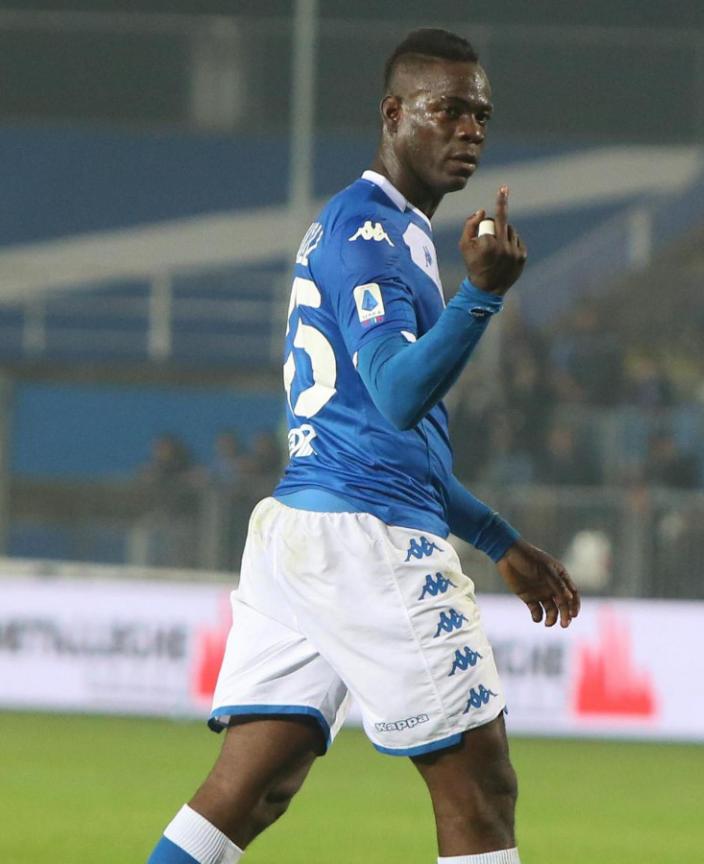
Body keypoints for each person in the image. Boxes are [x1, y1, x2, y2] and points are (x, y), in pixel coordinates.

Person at [147, 29, 580, 864]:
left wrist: (498, 539)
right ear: (393, 114)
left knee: (251, 788)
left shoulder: (362, 228)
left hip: (305, 527)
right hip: (365, 537)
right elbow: (399, 393)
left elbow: (383, 434)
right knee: (479, 787)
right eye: (447, 109)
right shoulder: (372, 234)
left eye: (480, 115)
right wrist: (480, 299)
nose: (470, 130)